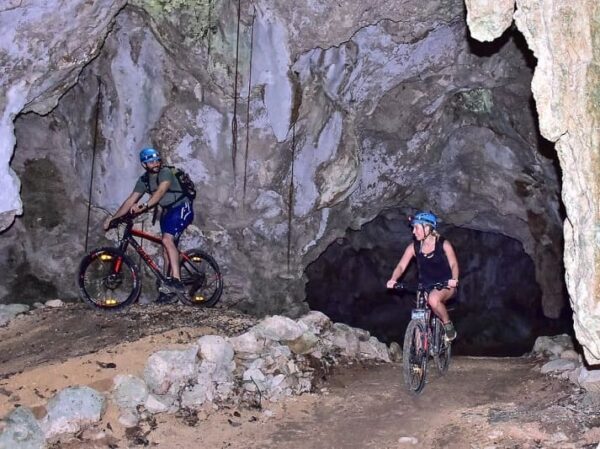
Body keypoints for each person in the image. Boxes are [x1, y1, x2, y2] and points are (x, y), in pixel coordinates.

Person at [103, 148, 194, 302]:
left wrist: (144, 206)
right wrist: (113, 219)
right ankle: (168, 291)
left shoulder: (165, 172)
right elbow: (131, 200)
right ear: (144, 165)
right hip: (167, 212)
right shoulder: (144, 180)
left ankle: (176, 281)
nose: (156, 163)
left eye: (157, 160)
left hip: (182, 207)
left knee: (166, 240)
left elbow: (160, 192)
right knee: (166, 249)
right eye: (151, 161)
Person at [386, 211, 459, 340]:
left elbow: (453, 264)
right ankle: (419, 352)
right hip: (426, 286)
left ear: (428, 228)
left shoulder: (443, 244)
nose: (414, 231)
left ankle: (447, 325)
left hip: (446, 285)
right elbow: (401, 266)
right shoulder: (414, 247)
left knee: (433, 299)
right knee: (420, 315)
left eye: (417, 228)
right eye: (413, 228)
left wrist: (454, 279)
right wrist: (393, 279)